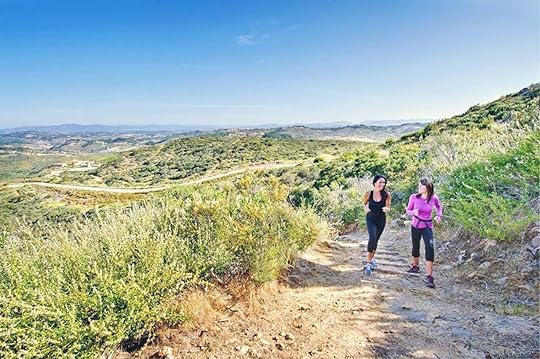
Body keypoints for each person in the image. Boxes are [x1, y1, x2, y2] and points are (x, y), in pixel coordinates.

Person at [405, 177, 442, 288]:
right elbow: (408, 210)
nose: (419, 187)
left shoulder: (434, 198)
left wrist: (439, 216)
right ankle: (415, 266)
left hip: (427, 225)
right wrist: (413, 212)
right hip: (416, 225)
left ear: (428, 187)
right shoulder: (414, 197)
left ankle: (429, 276)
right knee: (415, 247)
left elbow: (439, 207)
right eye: (419, 185)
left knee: (430, 248)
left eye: (421, 186)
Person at [362, 174, 391, 275]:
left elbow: (388, 206)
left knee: (376, 240)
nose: (382, 184)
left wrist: (387, 209)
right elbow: (364, 204)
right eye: (380, 182)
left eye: (384, 183)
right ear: (375, 183)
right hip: (371, 219)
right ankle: (368, 263)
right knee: (372, 238)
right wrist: (365, 208)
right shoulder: (368, 193)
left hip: (381, 220)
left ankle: (372, 258)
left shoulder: (386, 194)